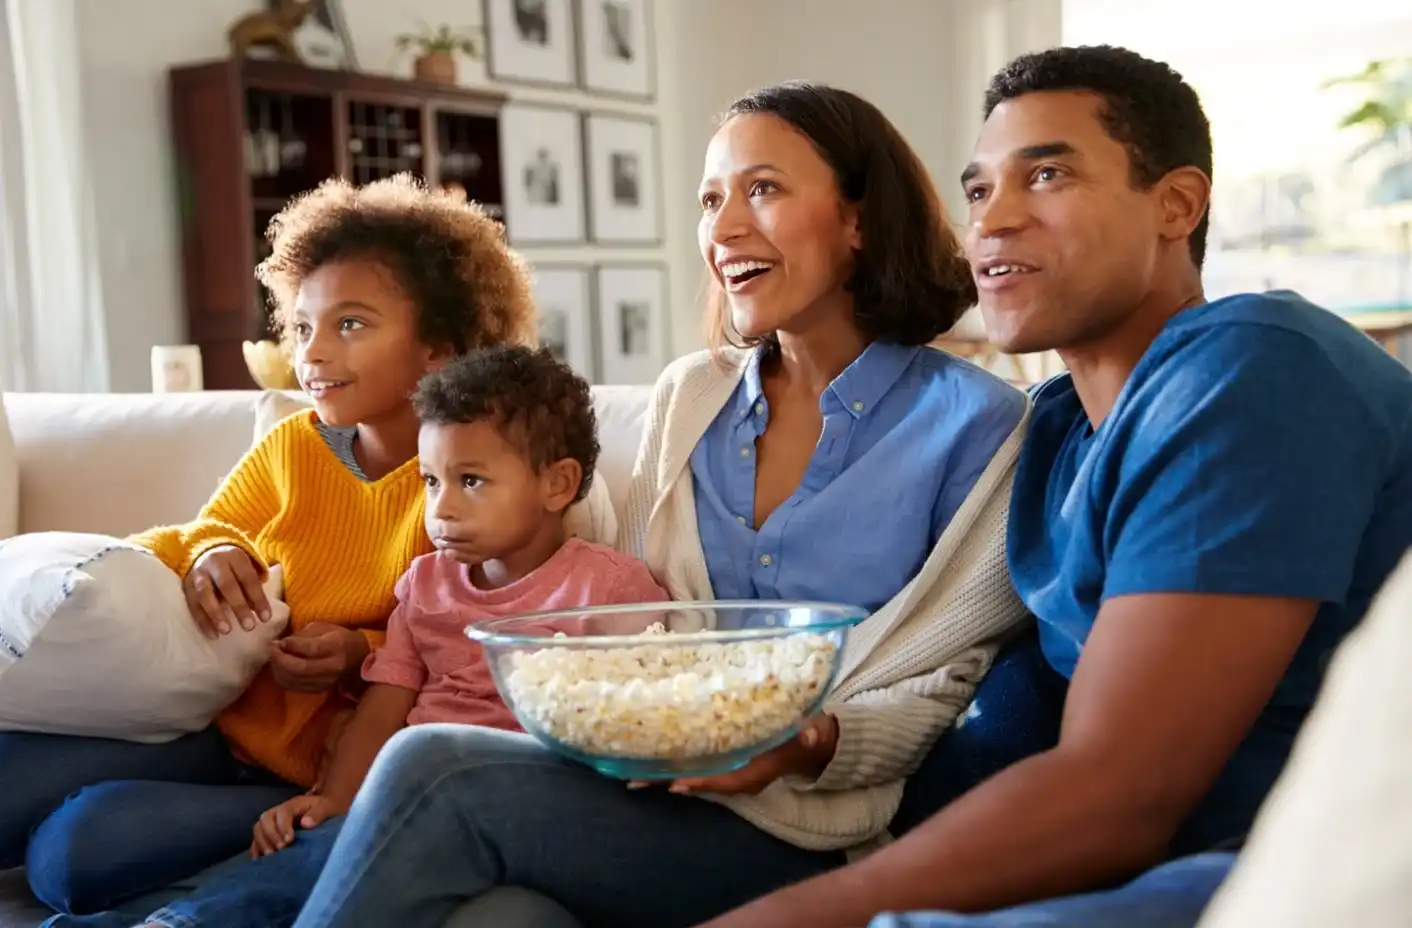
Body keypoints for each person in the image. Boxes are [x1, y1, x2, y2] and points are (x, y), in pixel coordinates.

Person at [689, 45, 1412, 928]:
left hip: (1289, 873)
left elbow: (1119, 792)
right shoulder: (1054, 431)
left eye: (1047, 176)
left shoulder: (1252, 370)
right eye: (979, 190)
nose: (993, 221)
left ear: (1177, 205)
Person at [283, 80, 1033, 928]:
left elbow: (951, 676)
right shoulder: (691, 396)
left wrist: (808, 742)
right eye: (711, 200)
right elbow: (613, 597)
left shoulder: (980, 424)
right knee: (505, 921)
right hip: (639, 792)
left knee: (433, 767)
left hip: (810, 831)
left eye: (762, 189)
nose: (724, 228)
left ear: (858, 219)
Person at [0, 173, 547, 916]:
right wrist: (212, 552)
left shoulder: (465, 486)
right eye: (303, 326)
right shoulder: (293, 447)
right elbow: (193, 532)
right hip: (214, 732)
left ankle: (286, 846)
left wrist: (356, 652)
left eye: (350, 325)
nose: (313, 352)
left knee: (70, 855)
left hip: (320, 773)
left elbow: (464, 645)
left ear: (437, 351)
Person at [46, 345, 672, 928]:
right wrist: (332, 799)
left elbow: (640, 726)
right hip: (401, 795)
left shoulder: (609, 588)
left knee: (337, 854)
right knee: (307, 850)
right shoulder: (426, 584)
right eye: (431, 481)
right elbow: (384, 705)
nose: (442, 508)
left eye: (471, 482)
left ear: (557, 484)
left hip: (512, 804)